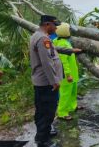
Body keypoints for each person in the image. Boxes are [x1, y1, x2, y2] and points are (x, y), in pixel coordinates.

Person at [30, 15, 63, 147]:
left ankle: (44, 132)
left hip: (42, 81)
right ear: (47, 24)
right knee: (47, 111)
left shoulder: (37, 36)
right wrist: (54, 81)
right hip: (47, 83)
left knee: (41, 109)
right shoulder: (43, 39)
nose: (56, 28)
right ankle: (43, 140)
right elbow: (46, 62)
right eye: (55, 25)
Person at [53, 23, 82, 120]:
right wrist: (68, 74)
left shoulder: (65, 41)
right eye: (69, 30)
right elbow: (63, 62)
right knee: (65, 93)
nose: (70, 32)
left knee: (73, 91)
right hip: (67, 75)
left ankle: (72, 107)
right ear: (64, 32)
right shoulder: (61, 43)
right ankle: (62, 112)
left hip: (73, 73)